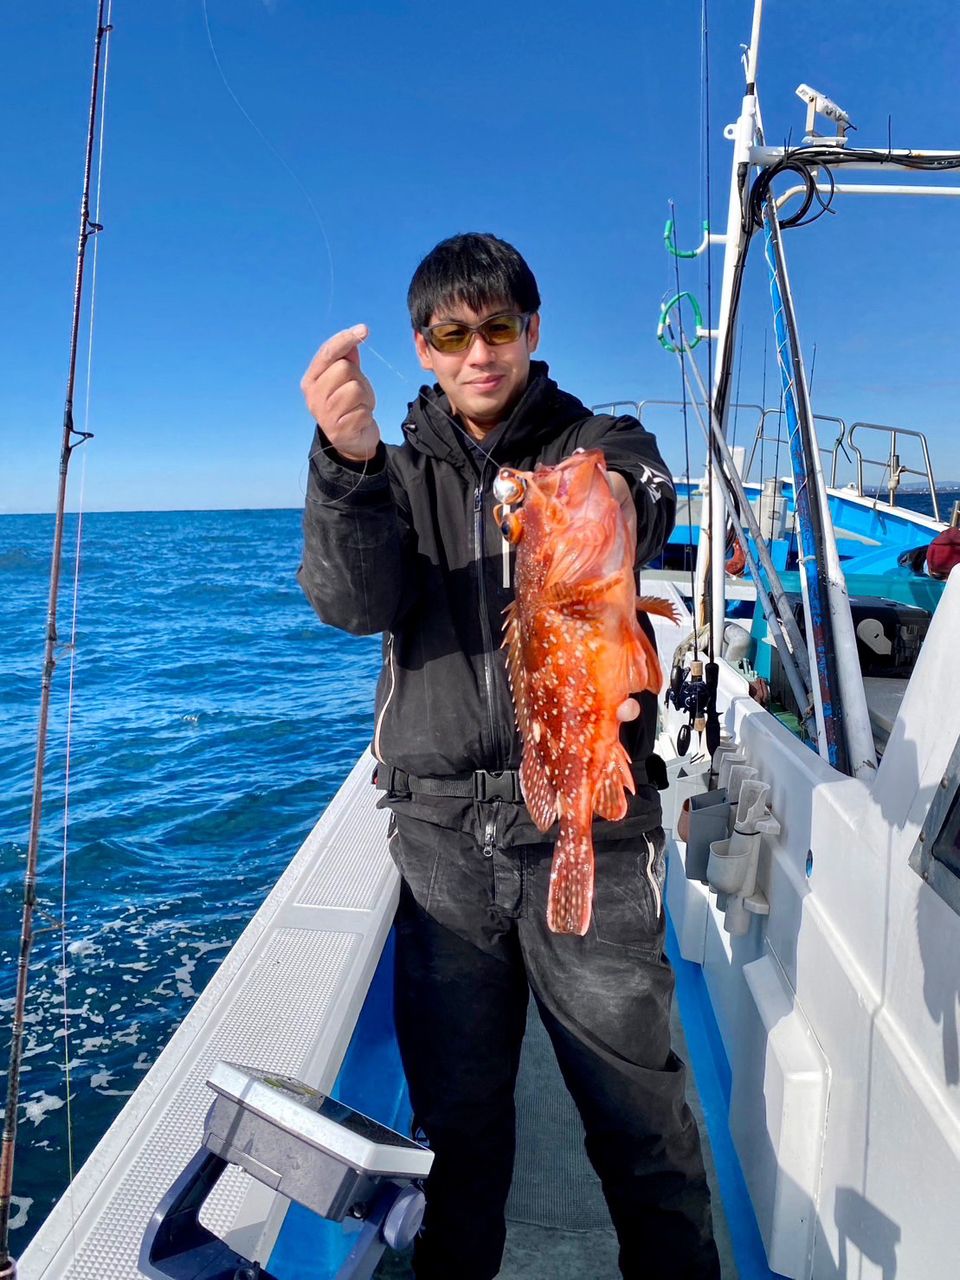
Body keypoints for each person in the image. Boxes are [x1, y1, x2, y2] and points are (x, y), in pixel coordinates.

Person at [298, 232, 721, 1280]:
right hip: (444, 844)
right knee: (460, 1135)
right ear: (425, 347)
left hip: (593, 825)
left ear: (532, 332)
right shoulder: (391, 476)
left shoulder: (593, 439)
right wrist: (344, 468)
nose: (479, 350)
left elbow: (637, 487)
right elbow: (351, 602)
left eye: (499, 328)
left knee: (642, 1122)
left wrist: (611, 499)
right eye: (453, 333)